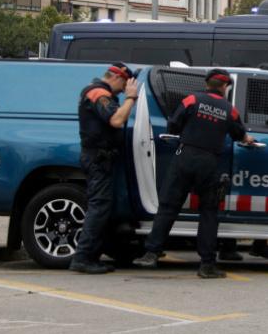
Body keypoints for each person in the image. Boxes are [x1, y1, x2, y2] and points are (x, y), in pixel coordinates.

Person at [134, 69, 256, 278]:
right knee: (208, 213)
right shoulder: (230, 109)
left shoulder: (191, 99)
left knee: (168, 207)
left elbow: (173, 124)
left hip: (184, 157)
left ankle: (151, 254)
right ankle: (207, 265)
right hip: (209, 163)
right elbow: (239, 134)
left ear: (208, 83)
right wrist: (248, 139)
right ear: (226, 87)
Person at [70, 63, 139, 274]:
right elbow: (117, 120)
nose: (126, 87)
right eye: (126, 83)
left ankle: (94, 255)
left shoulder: (100, 92)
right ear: (118, 78)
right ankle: (82, 258)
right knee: (99, 207)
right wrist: (130, 98)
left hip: (102, 159)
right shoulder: (98, 93)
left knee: (103, 207)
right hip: (97, 159)